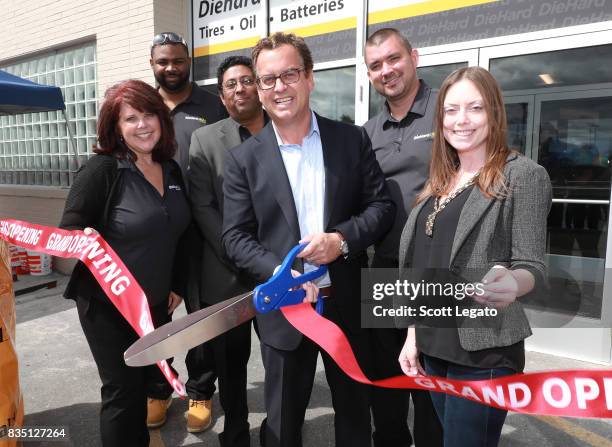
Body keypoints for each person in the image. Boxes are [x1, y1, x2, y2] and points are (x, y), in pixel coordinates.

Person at [222, 32, 395, 447]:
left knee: (355, 414)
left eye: (289, 74)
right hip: (286, 311)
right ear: (260, 91)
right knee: (281, 424)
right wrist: (285, 274)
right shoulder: (243, 160)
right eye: (268, 80)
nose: (279, 87)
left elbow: (381, 207)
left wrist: (342, 240)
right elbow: (234, 237)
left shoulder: (351, 140)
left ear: (310, 78)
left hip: (347, 304)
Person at [397, 66, 552, 447]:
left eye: (475, 108)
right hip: (433, 348)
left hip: (485, 354)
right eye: (451, 110)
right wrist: (412, 336)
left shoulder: (523, 175)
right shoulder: (439, 179)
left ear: (494, 114)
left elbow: (533, 265)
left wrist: (511, 282)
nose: (460, 120)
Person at [60, 79, 191, 447]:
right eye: (131, 118)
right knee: (123, 394)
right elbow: (68, 236)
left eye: (150, 114)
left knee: (153, 383)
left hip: (155, 304)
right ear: (115, 127)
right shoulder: (101, 170)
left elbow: (180, 232)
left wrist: (177, 284)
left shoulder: (171, 170)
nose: (143, 124)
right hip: (107, 306)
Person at [363, 27, 443, 447]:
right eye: (375, 65)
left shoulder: (446, 113)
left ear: (414, 56)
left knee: (430, 385)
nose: (386, 70)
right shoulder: (368, 131)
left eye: (393, 59)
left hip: (435, 272)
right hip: (382, 270)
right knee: (385, 382)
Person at [187, 55, 266, 445]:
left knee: (281, 358)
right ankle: (236, 430)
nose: (240, 89)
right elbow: (202, 206)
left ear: (260, 85)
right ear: (222, 95)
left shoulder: (284, 132)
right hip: (226, 272)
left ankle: (281, 426)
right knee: (231, 366)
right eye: (231, 84)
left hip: (277, 273)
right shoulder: (204, 140)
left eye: (247, 81)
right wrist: (239, 253)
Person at [150, 31, 226, 430]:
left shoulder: (213, 106)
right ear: (153, 65)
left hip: (200, 231)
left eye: (178, 61)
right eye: (163, 61)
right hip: (156, 231)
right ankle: (158, 389)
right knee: (154, 313)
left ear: (188, 63)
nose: (171, 68)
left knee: (198, 316)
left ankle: (200, 391)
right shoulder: (143, 107)